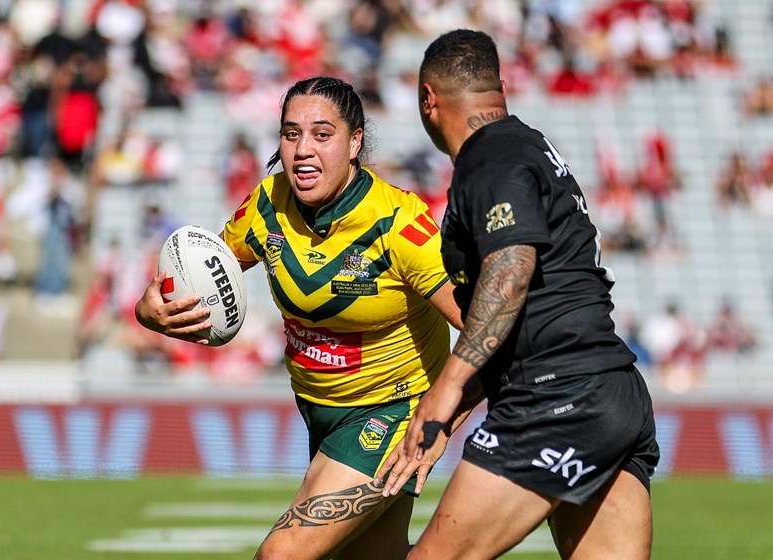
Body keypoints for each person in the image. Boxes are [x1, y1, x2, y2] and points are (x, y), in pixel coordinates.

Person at [134, 76, 473, 560]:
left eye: (322, 134)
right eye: (290, 134)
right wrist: (153, 310)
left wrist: (442, 419)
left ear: (355, 141)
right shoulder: (265, 206)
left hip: (391, 413)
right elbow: (201, 273)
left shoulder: (398, 224)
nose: (302, 150)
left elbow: (487, 326)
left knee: (281, 555)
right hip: (317, 412)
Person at [377, 29, 659, 559]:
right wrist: (461, 406)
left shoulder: (490, 158)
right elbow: (537, 310)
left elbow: (512, 269)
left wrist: (446, 387)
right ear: (499, 89)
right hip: (613, 392)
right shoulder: (528, 144)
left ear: (427, 99)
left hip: (557, 398)